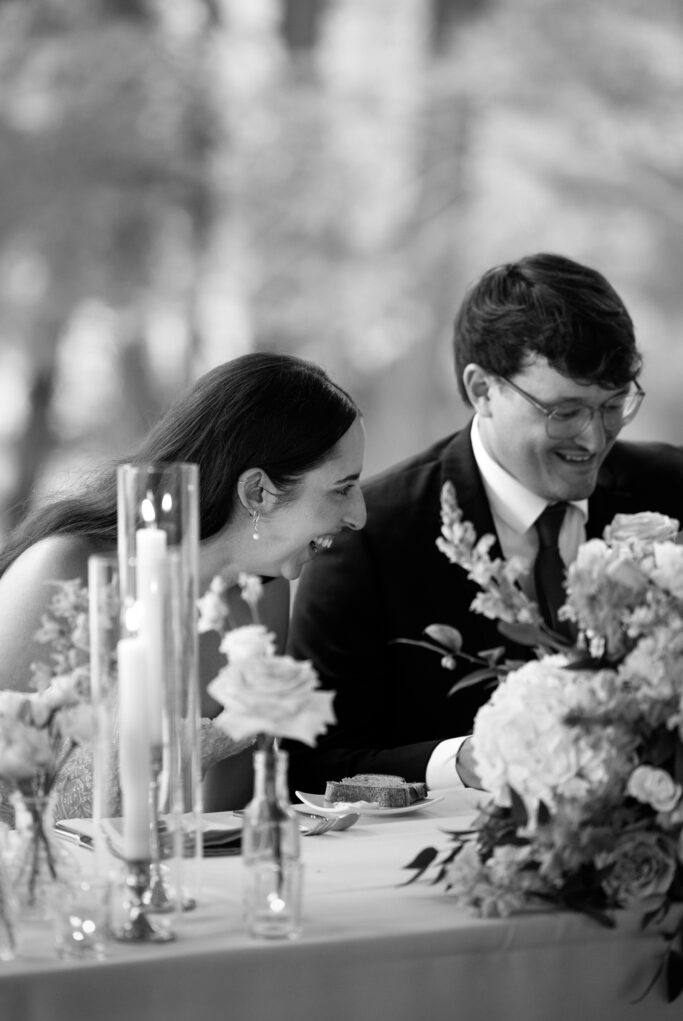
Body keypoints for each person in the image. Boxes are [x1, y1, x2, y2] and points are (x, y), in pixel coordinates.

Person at [285, 252, 683, 794]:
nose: (595, 439)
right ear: (482, 390)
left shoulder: (673, 490)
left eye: (614, 405)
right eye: (564, 412)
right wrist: (465, 762)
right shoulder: (368, 536)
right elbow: (309, 766)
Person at [0, 352, 366, 820]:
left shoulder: (262, 595)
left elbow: (230, 818)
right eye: (341, 489)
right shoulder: (63, 573)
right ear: (257, 492)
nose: (359, 515)